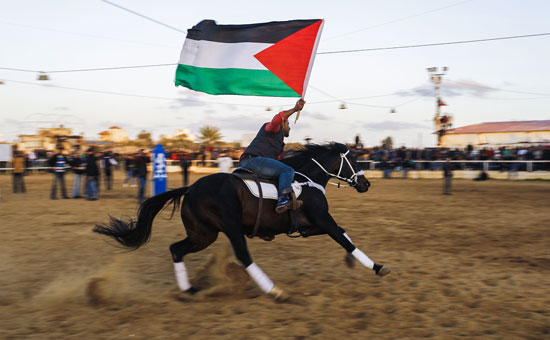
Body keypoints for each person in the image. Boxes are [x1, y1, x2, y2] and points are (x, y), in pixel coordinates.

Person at [239, 98, 305, 213]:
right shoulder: (273, 128)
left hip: (251, 162)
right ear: (283, 123)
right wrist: (295, 109)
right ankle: (283, 200)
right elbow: (277, 119)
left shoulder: (280, 144)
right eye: (288, 124)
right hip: (252, 161)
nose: (289, 127)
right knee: (288, 171)